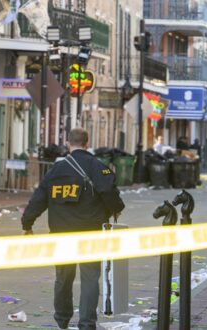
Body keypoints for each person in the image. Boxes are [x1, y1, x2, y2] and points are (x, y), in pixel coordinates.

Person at [21, 128, 125, 330]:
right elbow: (108, 191)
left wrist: (27, 224)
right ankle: (87, 323)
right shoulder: (97, 166)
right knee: (90, 278)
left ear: (69, 143)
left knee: (63, 277)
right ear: (87, 143)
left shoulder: (55, 171)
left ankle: (62, 320)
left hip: (61, 233)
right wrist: (116, 209)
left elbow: (38, 199)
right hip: (90, 231)